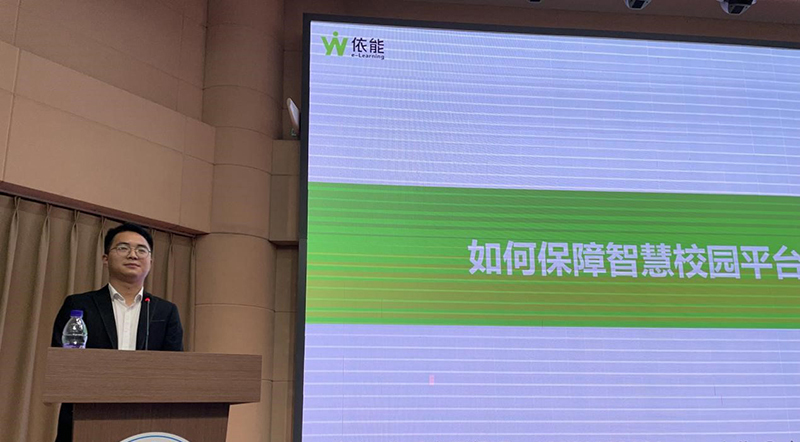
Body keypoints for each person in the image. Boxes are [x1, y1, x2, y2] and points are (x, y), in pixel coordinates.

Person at [51, 222, 184, 441]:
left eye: (141, 250)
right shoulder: (80, 305)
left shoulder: (165, 311)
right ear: (105, 258)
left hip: (146, 421)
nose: (133, 255)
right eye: (123, 248)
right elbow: (64, 363)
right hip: (86, 417)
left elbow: (173, 369)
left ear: (151, 261)